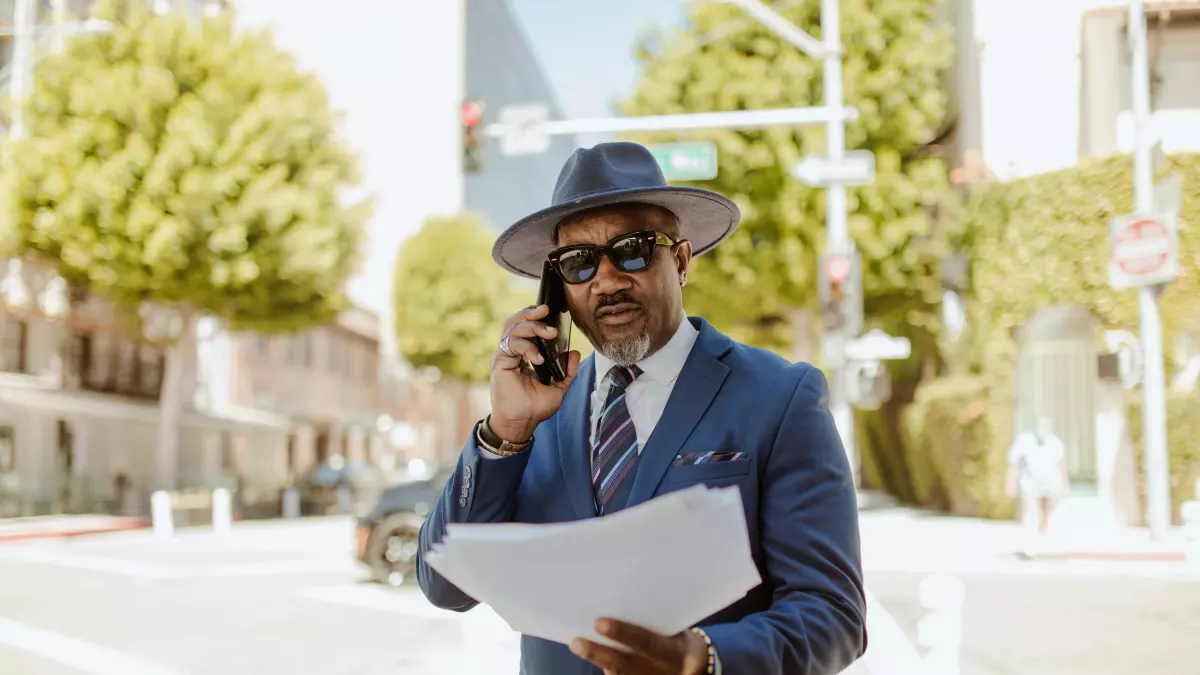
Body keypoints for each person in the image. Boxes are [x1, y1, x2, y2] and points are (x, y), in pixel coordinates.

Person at [416, 142, 866, 674]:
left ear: (679, 260)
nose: (606, 281)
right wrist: (504, 433)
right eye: (578, 264)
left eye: (632, 250)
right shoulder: (530, 415)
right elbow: (445, 586)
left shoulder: (780, 397)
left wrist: (704, 658)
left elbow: (833, 614)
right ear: (558, 287)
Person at [1005, 415, 1070, 558]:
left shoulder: (1055, 442)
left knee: (1046, 513)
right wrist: (1011, 482)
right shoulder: (1024, 440)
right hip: (1030, 483)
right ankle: (1030, 544)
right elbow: (1014, 463)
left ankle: (1043, 540)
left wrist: (1064, 483)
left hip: (1051, 483)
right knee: (1030, 513)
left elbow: (1061, 464)